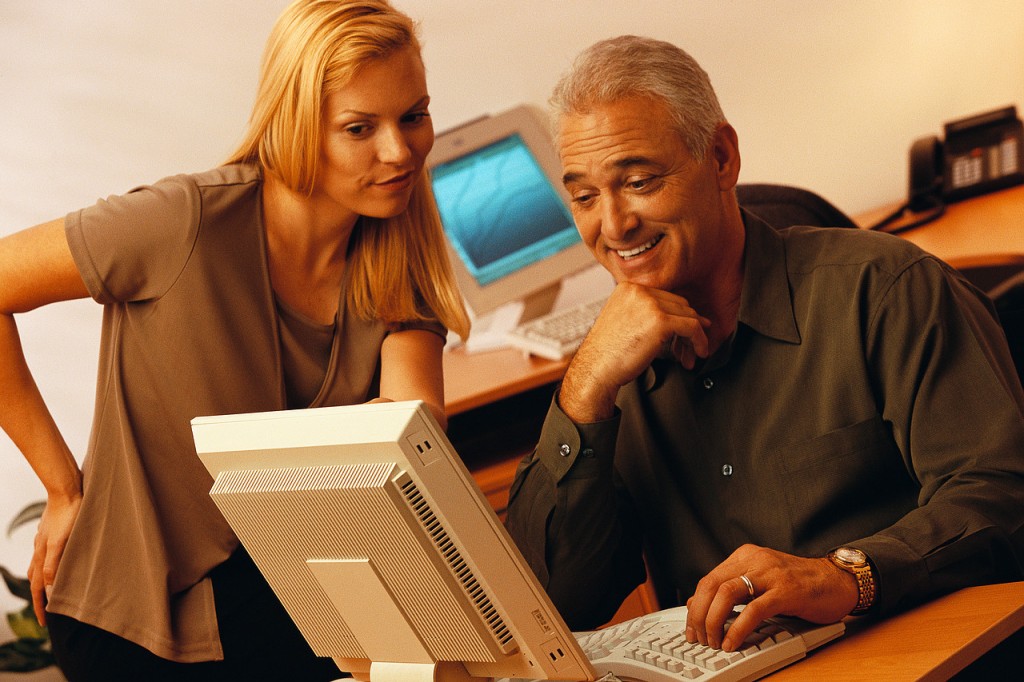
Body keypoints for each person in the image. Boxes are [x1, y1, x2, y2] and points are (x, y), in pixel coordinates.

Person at [506, 35, 1024, 655]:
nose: (613, 226)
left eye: (640, 181)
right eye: (585, 197)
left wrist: (846, 575)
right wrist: (585, 390)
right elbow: (550, 603)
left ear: (722, 158)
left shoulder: (884, 290)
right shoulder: (613, 372)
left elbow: (1003, 494)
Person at [0, 0, 470, 679]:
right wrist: (62, 487)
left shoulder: (399, 257)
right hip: (133, 618)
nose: (399, 151)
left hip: (282, 598)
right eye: (360, 128)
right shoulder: (180, 224)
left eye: (414, 117)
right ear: (299, 125)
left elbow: (412, 431)